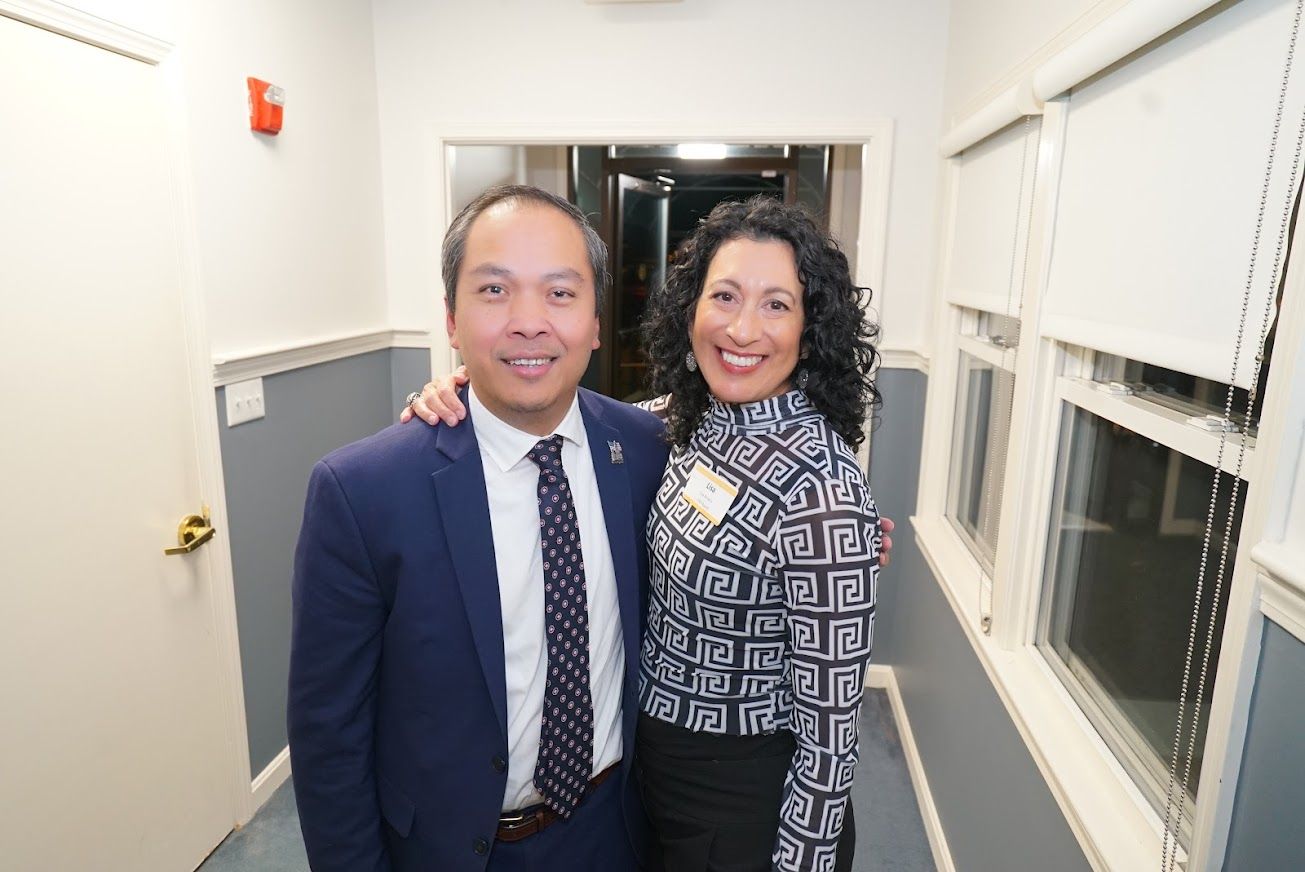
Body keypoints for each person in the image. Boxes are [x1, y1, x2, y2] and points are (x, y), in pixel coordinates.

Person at [407, 195, 886, 872]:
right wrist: (463, 385)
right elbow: (565, 412)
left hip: (741, 795)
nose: (743, 329)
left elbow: (832, 737)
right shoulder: (683, 421)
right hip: (649, 772)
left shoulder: (822, 490)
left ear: (811, 330)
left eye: (776, 304)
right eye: (724, 295)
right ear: (690, 309)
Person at [288, 185, 669, 872]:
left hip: (613, 830)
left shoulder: (646, 450)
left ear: (594, 320)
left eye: (560, 294)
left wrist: (842, 533)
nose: (529, 322)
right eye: (494, 291)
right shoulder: (363, 491)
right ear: (451, 320)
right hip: (451, 849)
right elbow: (329, 735)